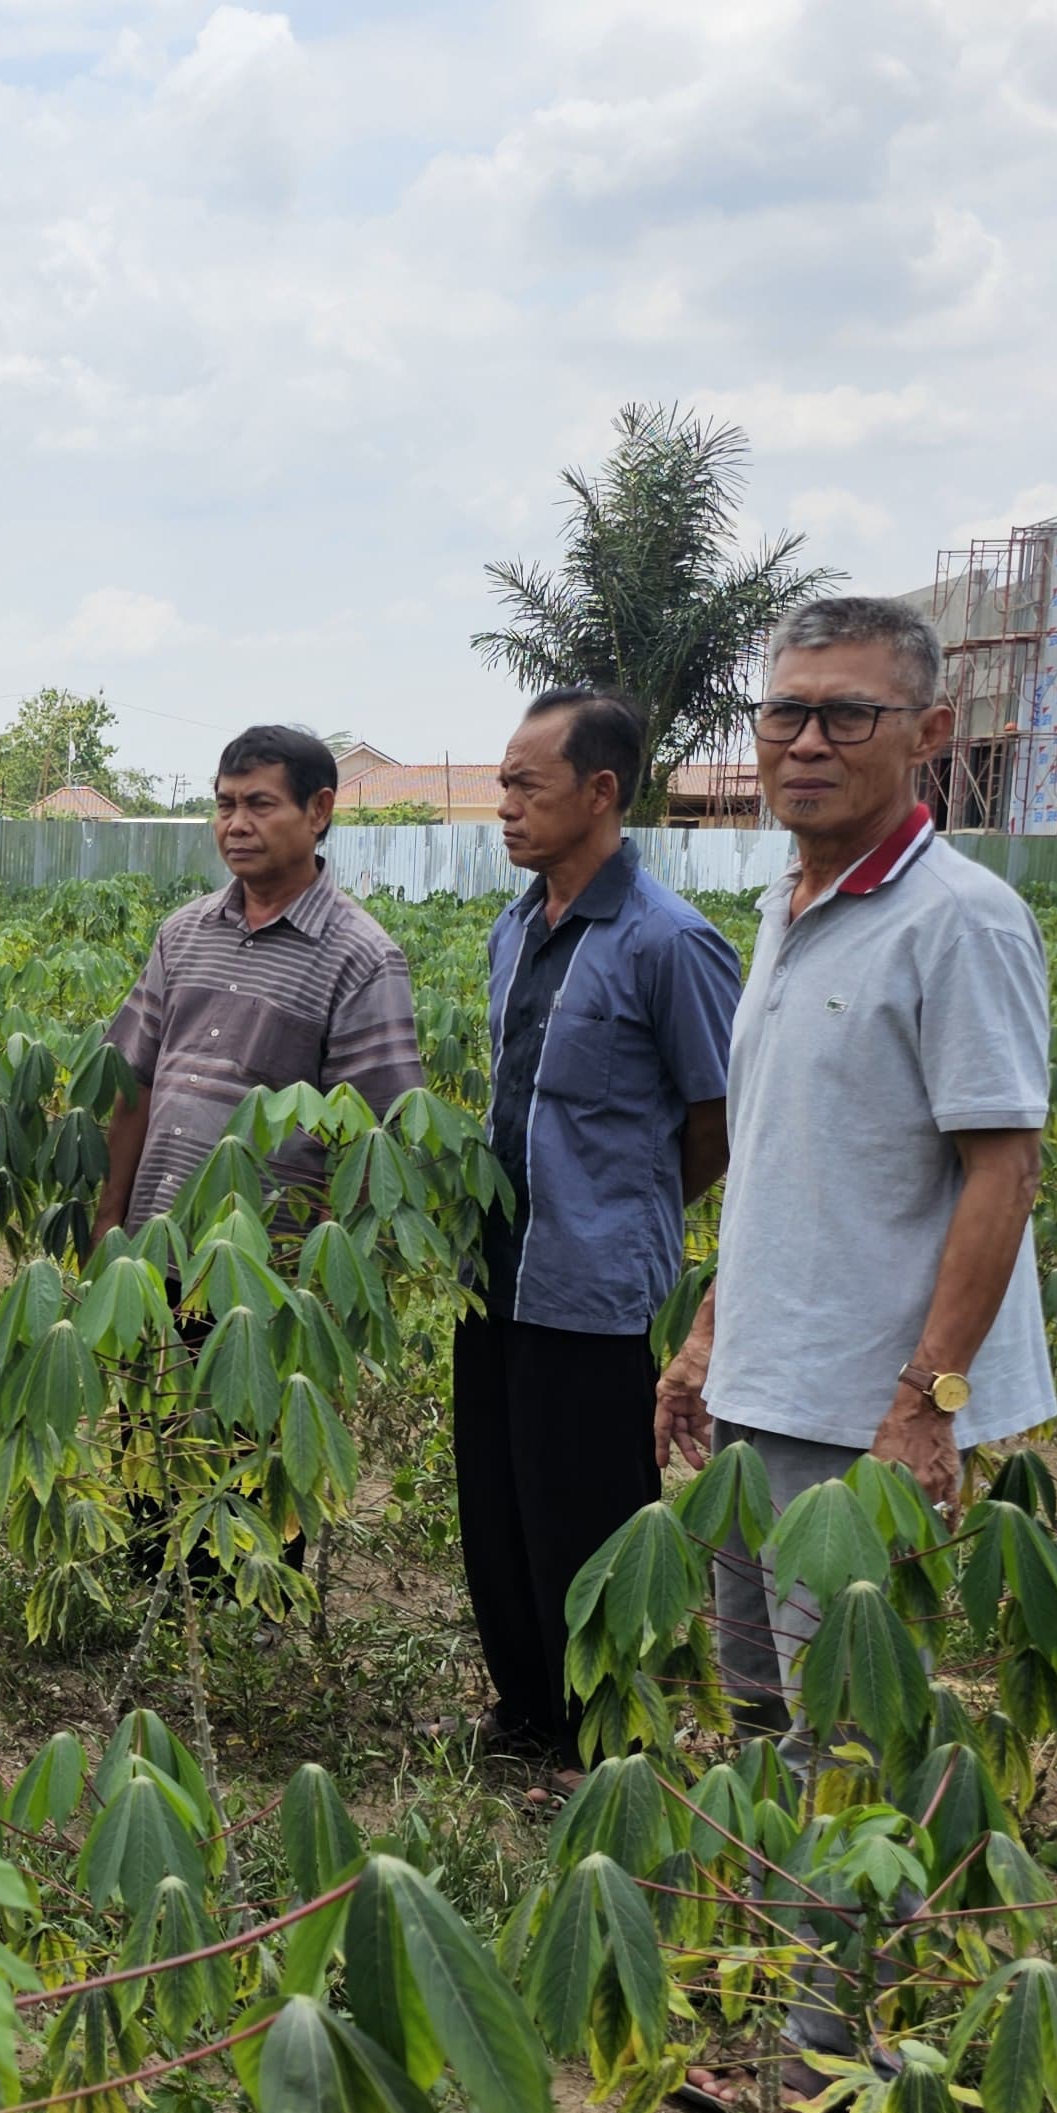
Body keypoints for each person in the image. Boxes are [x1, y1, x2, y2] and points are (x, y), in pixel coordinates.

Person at [656, 596, 1055, 1751]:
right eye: (785, 713)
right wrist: (705, 1339)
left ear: (927, 733)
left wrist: (927, 1402)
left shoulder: (960, 922)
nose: (808, 744)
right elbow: (792, 1160)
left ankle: (854, 1937)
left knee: (845, 1726)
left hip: (863, 1406)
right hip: (763, 1381)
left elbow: (1004, 1173)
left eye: (847, 715)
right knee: (756, 1705)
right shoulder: (789, 907)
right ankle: (768, 1927)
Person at [456, 688, 741, 1765]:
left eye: (525, 786)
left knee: (588, 1518)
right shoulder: (512, 931)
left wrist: (627, 1206)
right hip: (495, 1275)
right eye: (502, 787)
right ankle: (524, 1711)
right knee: (499, 1506)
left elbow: (716, 1123)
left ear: (600, 792)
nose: (505, 807)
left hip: (592, 1279)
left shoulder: (670, 944)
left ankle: (599, 1736)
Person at [95, 724, 420, 1234]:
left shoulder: (363, 957)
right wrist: (108, 1224)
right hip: (149, 1252)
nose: (237, 825)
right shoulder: (181, 932)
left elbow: (370, 1139)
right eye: (226, 806)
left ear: (319, 811)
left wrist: (319, 1283)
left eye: (260, 805)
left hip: (268, 1276)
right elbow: (134, 1084)